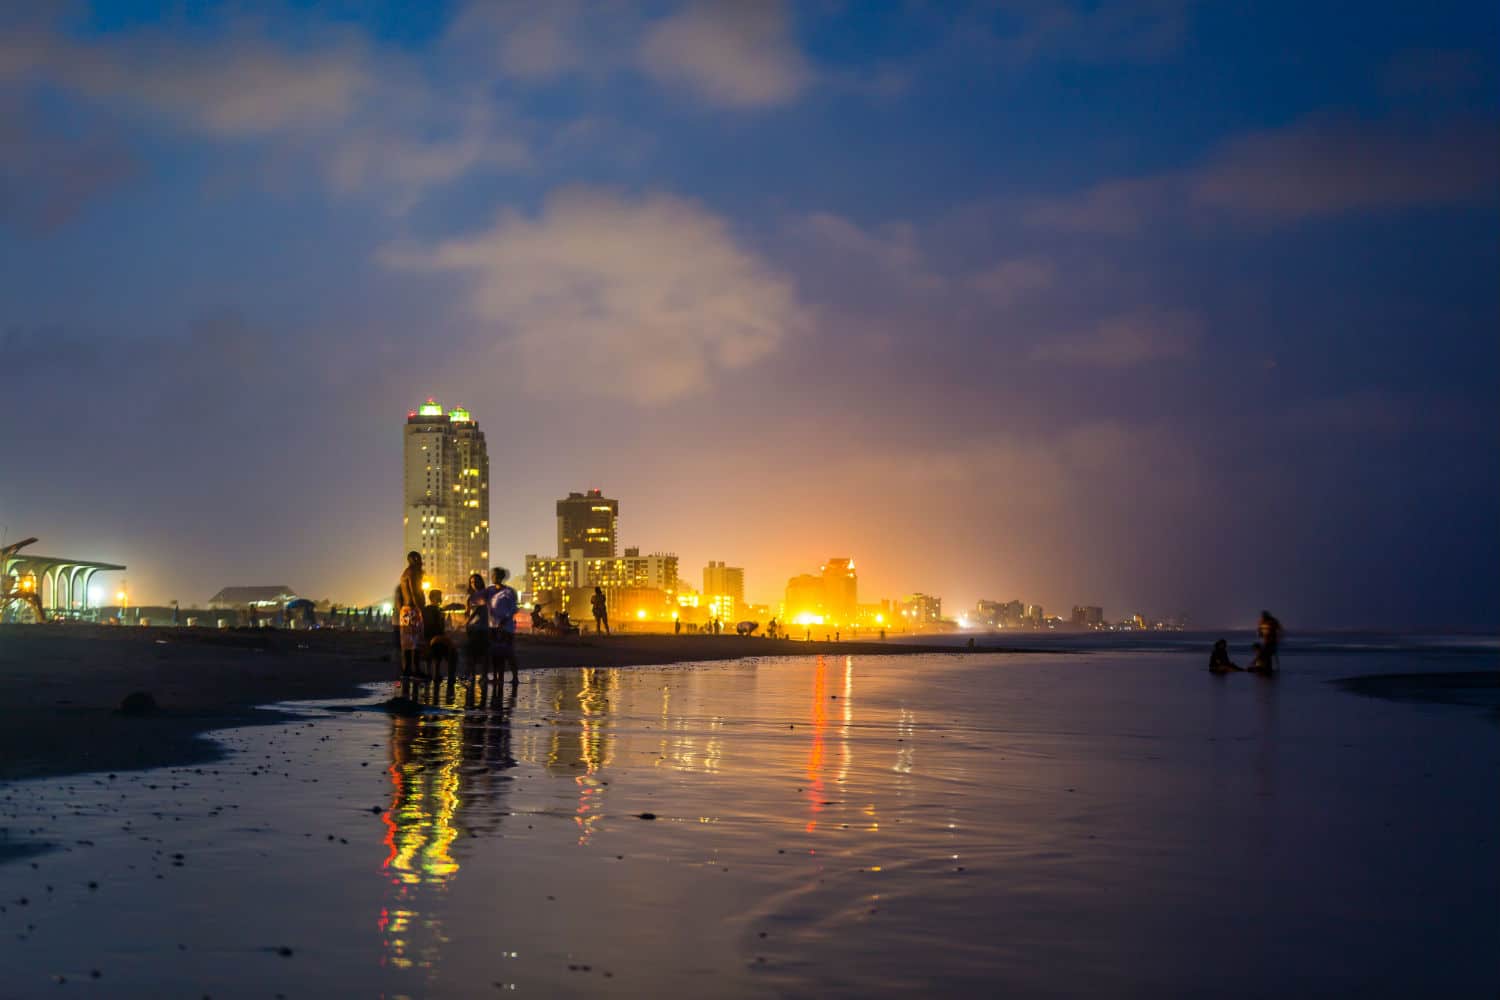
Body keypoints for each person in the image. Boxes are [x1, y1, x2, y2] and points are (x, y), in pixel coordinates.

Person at [397, 551, 427, 678]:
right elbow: (415, 592)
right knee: (415, 642)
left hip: (405, 610)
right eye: (419, 559)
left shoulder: (405, 572)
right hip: (413, 609)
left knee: (407, 643)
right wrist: (421, 609)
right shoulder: (413, 572)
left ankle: (407, 670)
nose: (421, 562)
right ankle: (415, 670)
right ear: (414, 560)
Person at [486, 567, 519, 682]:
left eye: (494, 575)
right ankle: (496, 676)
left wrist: (505, 619)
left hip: (506, 628)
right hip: (492, 627)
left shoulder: (509, 591)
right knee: (495, 653)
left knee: (508, 652)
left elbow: (514, 608)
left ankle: (515, 677)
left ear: (501, 577)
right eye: (492, 575)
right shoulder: (489, 590)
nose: (492, 577)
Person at [422, 589, 456, 681]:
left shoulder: (434, 609)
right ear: (432, 597)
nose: (440, 598)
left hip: (433, 635)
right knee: (434, 656)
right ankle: (433, 674)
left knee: (434, 656)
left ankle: (431, 674)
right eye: (438, 596)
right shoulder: (433, 609)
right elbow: (436, 624)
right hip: (433, 635)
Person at [464, 573, 490, 679]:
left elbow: (483, 609)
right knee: (472, 653)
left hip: (483, 628)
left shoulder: (485, 594)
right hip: (472, 628)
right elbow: (468, 612)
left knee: (484, 653)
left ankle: (484, 676)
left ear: (481, 581)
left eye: (476, 581)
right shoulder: (470, 598)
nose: (474, 583)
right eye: (472, 582)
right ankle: (472, 675)